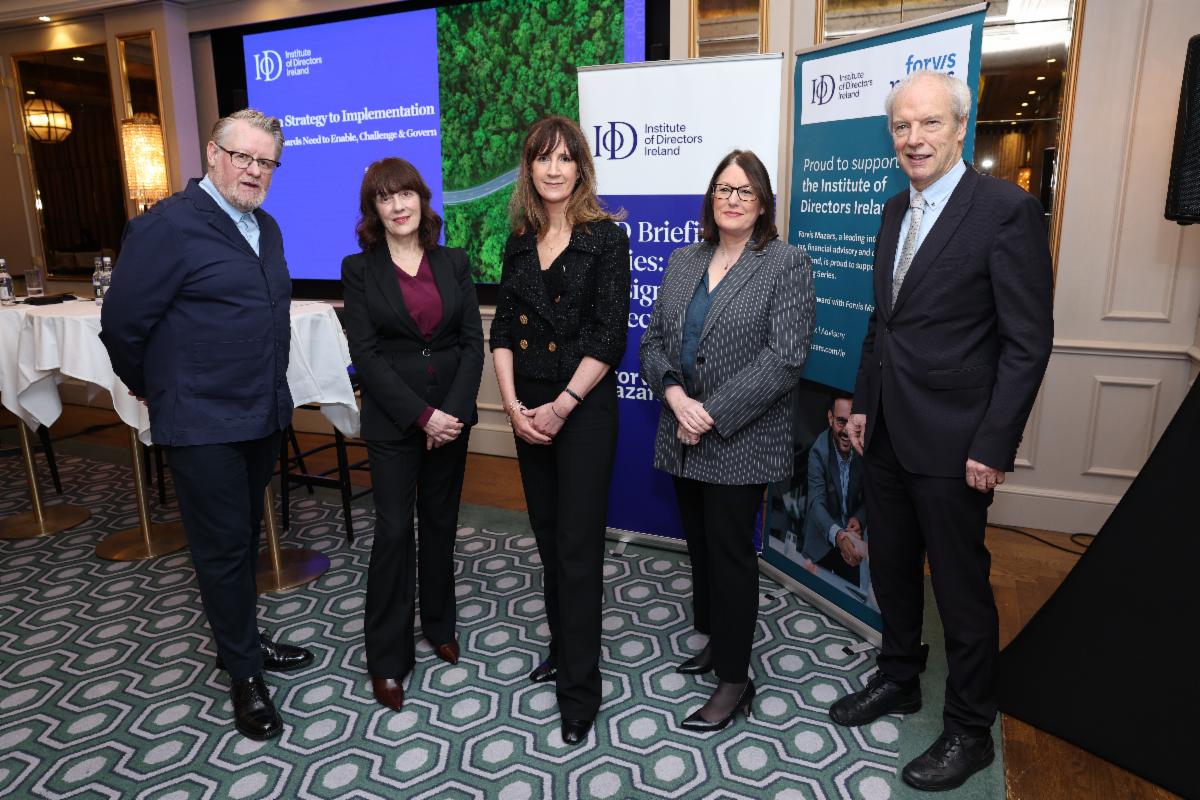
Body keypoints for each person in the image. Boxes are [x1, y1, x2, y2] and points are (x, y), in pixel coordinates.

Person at [832, 71, 1053, 791]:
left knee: (960, 593)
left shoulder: (1004, 210)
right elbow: (883, 321)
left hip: (959, 445)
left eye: (929, 123)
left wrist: (993, 444)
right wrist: (863, 403)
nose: (913, 138)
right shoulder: (896, 209)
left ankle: (969, 728)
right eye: (901, 126)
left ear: (961, 127)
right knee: (892, 572)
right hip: (889, 432)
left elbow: (1028, 342)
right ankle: (899, 676)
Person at [100, 109, 313, 741]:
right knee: (221, 550)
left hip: (259, 413)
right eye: (243, 157)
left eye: (265, 161)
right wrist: (159, 389)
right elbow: (122, 327)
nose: (254, 171)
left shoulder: (266, 228)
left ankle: (238, 641)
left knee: (243, 537)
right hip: (201, 422)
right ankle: (244, 677)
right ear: (213, 155)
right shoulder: (165, 227)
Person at [640, 149, 814, 732]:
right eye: (722, 189)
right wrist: (674, 396)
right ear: (710, 199)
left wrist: (710, 412)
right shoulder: (684, 260)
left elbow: (784, 360)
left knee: (732, 556)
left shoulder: (786, 263)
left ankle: (736, 679)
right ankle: (717, 642)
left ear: (762, 201)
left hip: (739, 439)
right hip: (682, 430)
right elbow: (654, 342)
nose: (732, 199)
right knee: (702, 548)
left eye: (743, 190)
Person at [489, 115, 629, 746]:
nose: (553, 168)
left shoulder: (606, 238)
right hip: (529, 410)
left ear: (580, 168)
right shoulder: (517, 240)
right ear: (530, 168)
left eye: (564, 158)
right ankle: (564, 648)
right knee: (547, 541)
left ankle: (581, 688)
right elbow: (501, 331)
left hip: (584, 409)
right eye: (542, 158)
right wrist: (514, 406)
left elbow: (609, 336)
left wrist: (561, 405)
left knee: (577, 551)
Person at [340, 158, 484, 711]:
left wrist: (449, 413)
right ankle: (387, 658)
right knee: (395, 533)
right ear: (374, 211)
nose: (398, 205)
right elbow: (366, 356)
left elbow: (472, 341)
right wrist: (421, 416)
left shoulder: (453, 262)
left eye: (406, 194)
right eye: (385, 198)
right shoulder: (359, 270)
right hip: (395, 422)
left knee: (441, 524)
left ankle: (440, 624)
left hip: (451, 420)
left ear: (421, 200)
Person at [803, 393, 868, 585]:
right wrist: (838, 535)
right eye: (841, 422)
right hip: (821, 541)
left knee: (851, 601)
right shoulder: (819, 451)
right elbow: (816, 503)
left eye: (852, 423)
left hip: (852, 541)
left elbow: (870, 498)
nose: (848, 431)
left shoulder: (862, 449)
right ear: (830, 418)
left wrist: (859, 518)